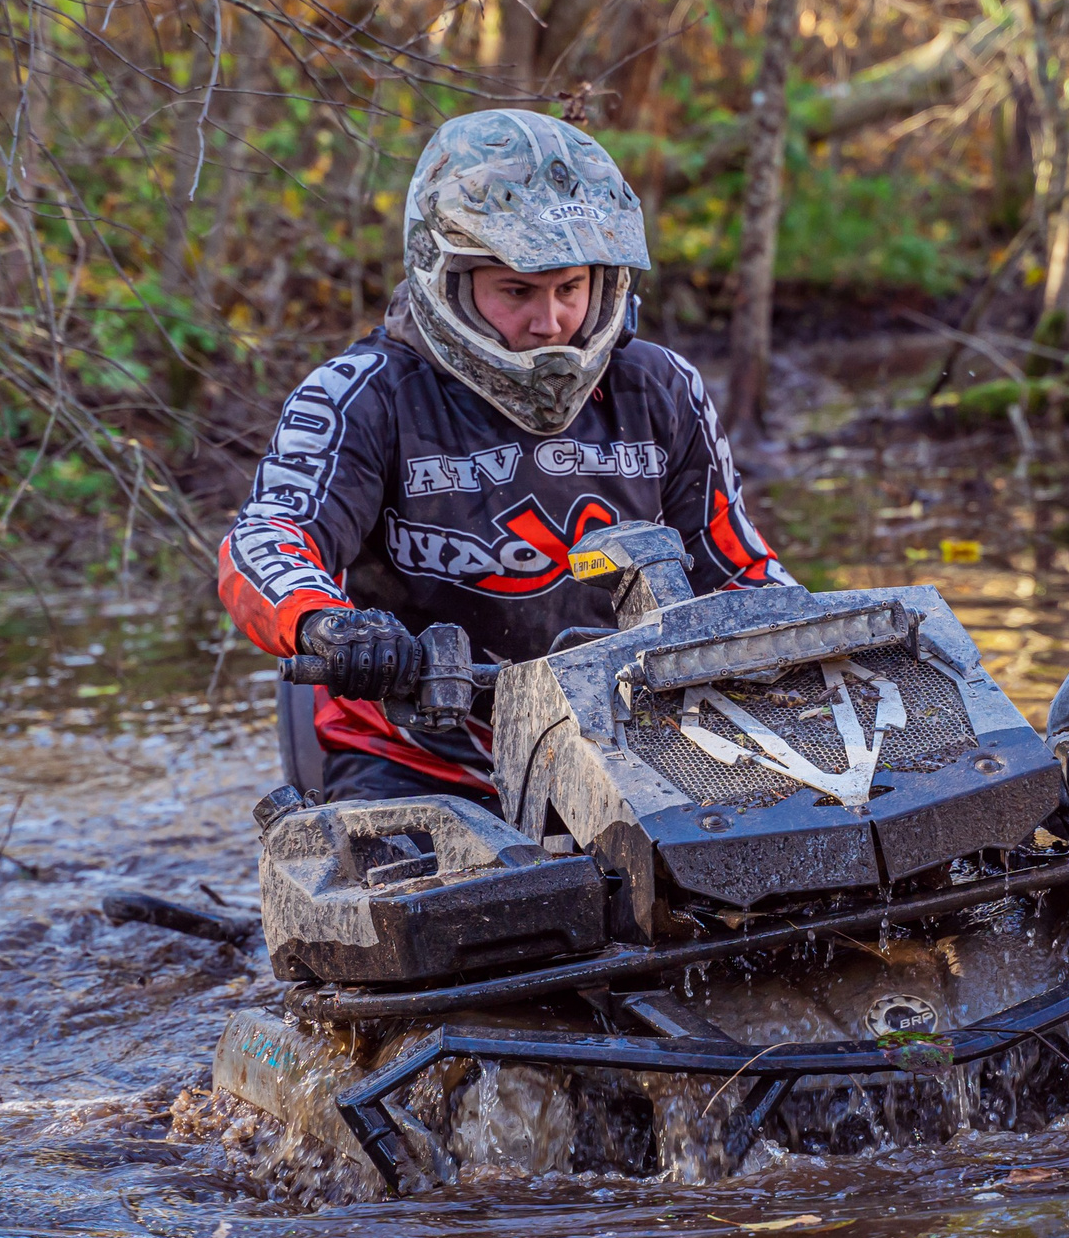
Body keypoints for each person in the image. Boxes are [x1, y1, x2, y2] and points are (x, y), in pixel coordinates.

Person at [218, 108, 793, 803]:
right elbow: (266, 539)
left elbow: (743, 571)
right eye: (517, 291)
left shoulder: (660, 387)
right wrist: (330, 624)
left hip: (631, 745)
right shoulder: (361, 394)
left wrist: (812, 647)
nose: (549, 321)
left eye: (570, 289)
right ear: (449, 278)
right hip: (416, 757)